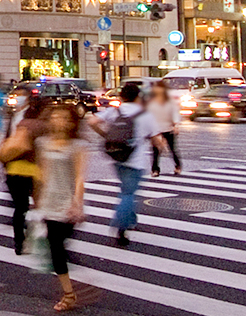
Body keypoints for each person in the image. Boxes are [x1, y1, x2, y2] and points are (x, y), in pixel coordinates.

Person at [88, 81, 165, 247]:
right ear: (138, 97)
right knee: (129, 194)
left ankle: (131, 220)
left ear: (122, 97)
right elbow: (157, 140)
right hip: (135, 160)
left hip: (117, 157)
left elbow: (92, 122)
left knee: (126, 189)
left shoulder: (115, 110)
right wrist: (161, 146)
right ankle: (121, 226)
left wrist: (106, 135)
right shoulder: (145, 114)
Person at [35, 103, 89, 313]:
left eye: (64, 118)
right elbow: (42, 173)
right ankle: (69, 293)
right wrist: (37, 198)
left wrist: (77, 204)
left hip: (67, 203)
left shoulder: (77, 146)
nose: (59, 121)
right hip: (49, 201)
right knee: (55, 247)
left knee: (57, 245)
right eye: (55, 117)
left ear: (71, 122)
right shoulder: (42, 142)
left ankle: (68, 288)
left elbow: (80, 177)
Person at [0, 88, 46, 254]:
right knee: (21, 206)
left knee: (33, 206)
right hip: (15, 166)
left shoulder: (31, 116)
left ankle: (34, 238)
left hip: (33, 166)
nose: (17, 98)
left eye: (20, 95)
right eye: (15, 95)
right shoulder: (13, 115)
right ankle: (19, 241)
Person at [146, 81, 182, 177]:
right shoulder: (151, 101)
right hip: (156, 129)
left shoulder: (170, 101)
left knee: (172, 149)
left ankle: (178, 165)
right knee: (156, 151)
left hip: (168, 128)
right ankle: (155, 170)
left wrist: (175, 125)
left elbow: (174, 113)